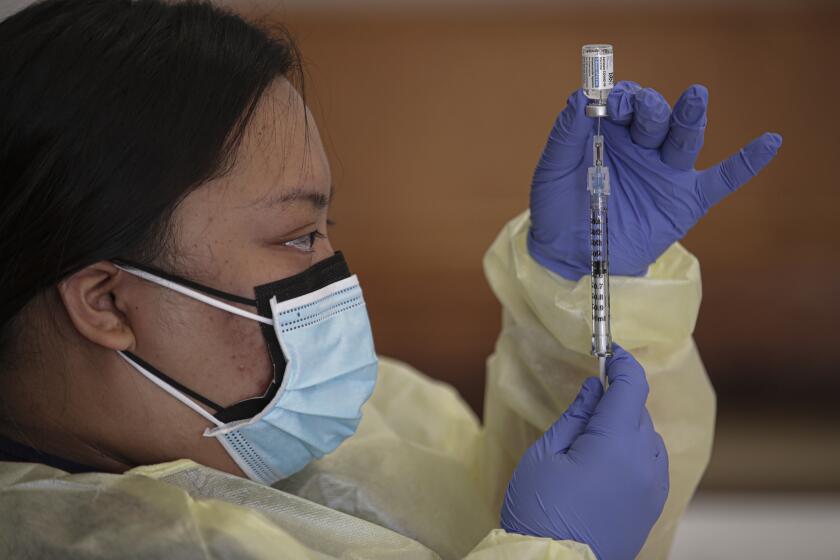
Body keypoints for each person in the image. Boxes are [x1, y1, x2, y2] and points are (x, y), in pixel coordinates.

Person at [0, 1, 781, 559]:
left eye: (326, 231)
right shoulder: (127, 541)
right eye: (295, 235)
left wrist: (590, 294)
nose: (333, 278)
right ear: (106, 302)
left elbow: (499, 506)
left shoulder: (315, 439)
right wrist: (556, 552)